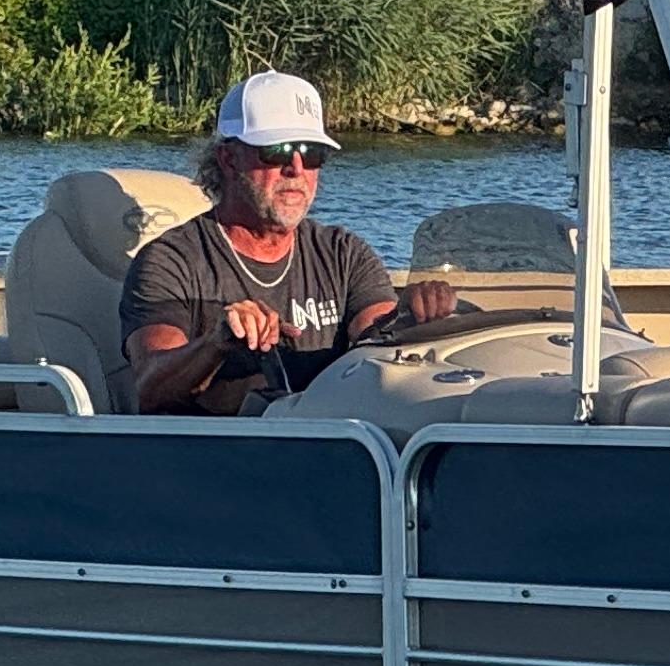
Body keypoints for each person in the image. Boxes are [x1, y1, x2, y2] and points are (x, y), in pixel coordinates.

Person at [119, 70, 457, 414]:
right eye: (276, 151)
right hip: (217, 454)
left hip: (331, 447)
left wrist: (415, 316)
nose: (296, 169)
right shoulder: (169, 261)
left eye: (312, 153)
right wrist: (216, 344)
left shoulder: (344, 253)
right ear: (228, 158)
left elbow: (379, 337)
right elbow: (150, 388)